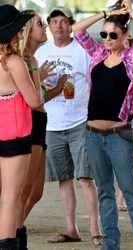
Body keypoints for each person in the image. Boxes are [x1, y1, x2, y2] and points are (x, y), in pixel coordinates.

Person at [73, 0, 133, 249]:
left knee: (130, 191)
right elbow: (77, 30)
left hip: (119, 135)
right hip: (92, 134)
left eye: (112, 34)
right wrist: (106, 13)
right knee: (105, 192)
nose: (107, 38)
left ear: (124, 35)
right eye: (104, 33)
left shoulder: (132, 57)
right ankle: (111, 244)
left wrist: (131, 12)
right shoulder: (98, 53)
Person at [35, 6, 102, 246]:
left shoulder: (82, 50)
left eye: (63, 21)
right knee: (64, 179)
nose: (59, 26)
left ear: (70, 24)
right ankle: (71, 228)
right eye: (54, 22)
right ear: (49, 26)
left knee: (85, 177)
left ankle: (95, 229)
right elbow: (37, 87)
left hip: (79, 121)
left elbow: (94, 81)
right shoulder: (42, 52)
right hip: (52, 124)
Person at [16, 9, 68, 250]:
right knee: (24, 191)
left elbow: (36, 98)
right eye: (40, 23)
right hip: (29, 125)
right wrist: (38, 74)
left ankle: (13, 230)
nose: (45, 26)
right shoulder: (23, 60)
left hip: (39, 122)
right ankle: (13, 235)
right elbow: (32, 100)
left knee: (35, 192)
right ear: (27, 29)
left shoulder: (31, 59)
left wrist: (55, 90)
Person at [0, 5, 41, 249]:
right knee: (11, 197)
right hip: (15, 132)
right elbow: (35, 101)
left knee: (5, 196)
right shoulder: (13, 61)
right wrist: (34, 69)